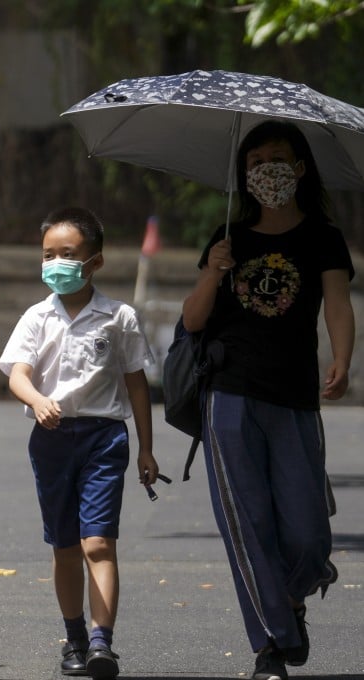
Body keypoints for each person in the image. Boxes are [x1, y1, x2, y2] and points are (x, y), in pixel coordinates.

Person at [180, 120, 355, 680]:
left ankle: (293, 600)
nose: (265, 172)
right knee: (248, 523)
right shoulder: (228, 234)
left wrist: (343, 360)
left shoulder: (322, 236)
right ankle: (270, 645)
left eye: (276, 160)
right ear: (243, 176)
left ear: (300, 168)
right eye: (254, 163)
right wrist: (213, 271)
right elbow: (192, 320)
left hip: (296, 393)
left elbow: (337, 304)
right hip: (228, 395)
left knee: (307, 532)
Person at [0, 207, 159, 680]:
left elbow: (137, 385)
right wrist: (38, 400)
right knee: (65, 546)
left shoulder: (119, 317)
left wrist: (146, 448)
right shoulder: (36, 318)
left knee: (98, 543)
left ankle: (102, 643)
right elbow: (18, 376)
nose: (56, 263)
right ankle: (74, 639)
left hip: (105, 439)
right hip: (50, 439)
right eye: (49, 254)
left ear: (95, 262)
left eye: (68, 254)